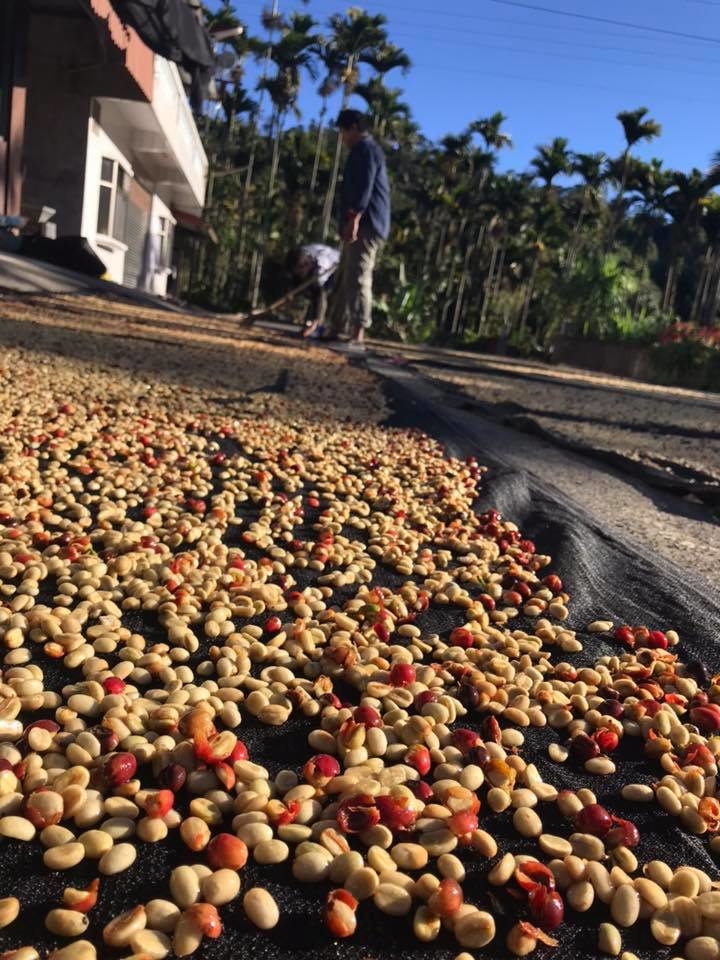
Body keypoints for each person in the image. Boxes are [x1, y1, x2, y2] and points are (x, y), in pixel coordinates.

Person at [325, 109, 391, 351]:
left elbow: (364, 186)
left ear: (353, 128)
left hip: (366, 223)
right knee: (344, 276)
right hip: (357, 221)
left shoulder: (367, 150)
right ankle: (336, 327)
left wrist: (354, 217)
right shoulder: (360, 151)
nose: (342, 138)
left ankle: (358, 332)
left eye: (343, 132)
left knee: (358, 275)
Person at [285, 243, 340, 338]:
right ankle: (310, 323)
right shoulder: (300, 254)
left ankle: (317, 326)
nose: (299, 275)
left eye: (300, 272)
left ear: (305, 266)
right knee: (311, 291)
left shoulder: (321, 267)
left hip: (337, 267)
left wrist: (315, 321)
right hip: (317, 264)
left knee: (320, 294)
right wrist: (291, 294)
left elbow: (319, 295)